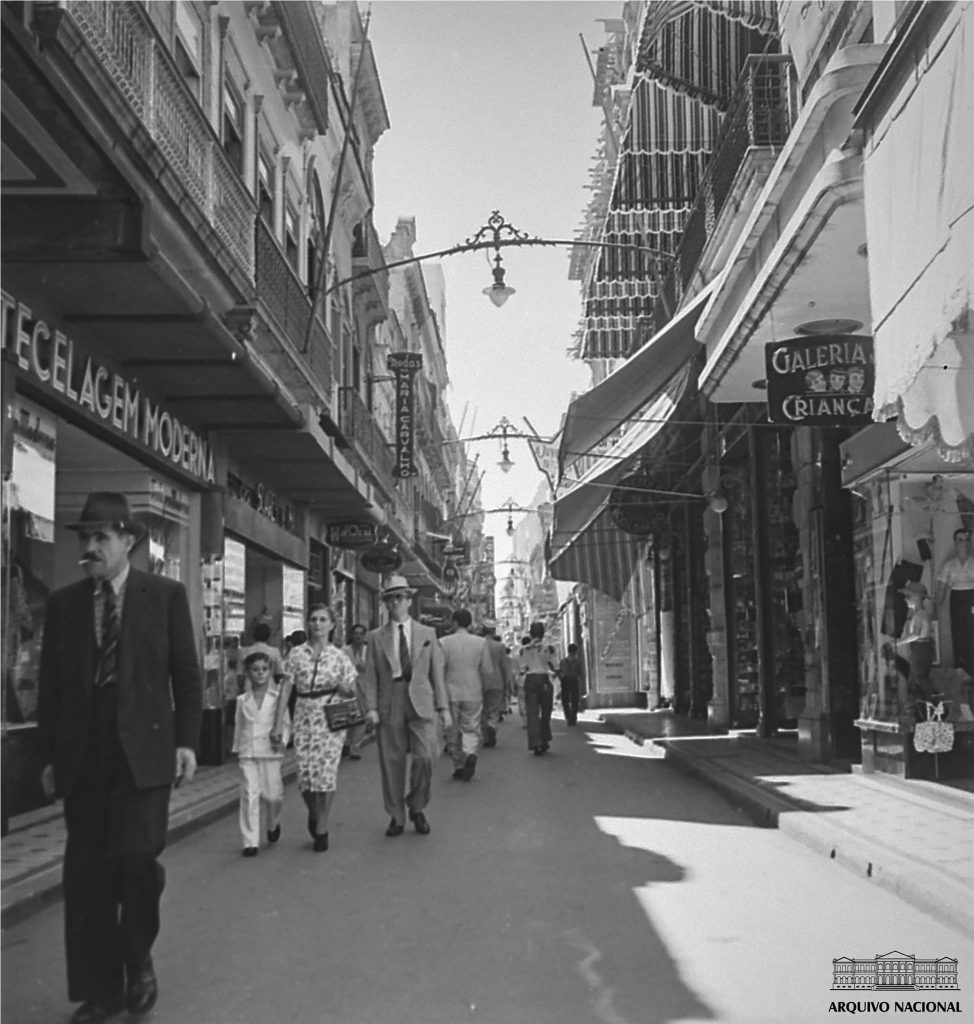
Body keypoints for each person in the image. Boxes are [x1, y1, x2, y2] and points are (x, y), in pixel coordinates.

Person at [37, 492, 203, 1024]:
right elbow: (51, 689)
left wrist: (187, 742)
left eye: (100, 538)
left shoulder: (165, 595)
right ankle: (102, 990)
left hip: (145, 754)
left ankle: (138, 955)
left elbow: (187, 674)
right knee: (86, 877)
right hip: (84, 755)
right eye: (84, 538)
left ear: (128, 540)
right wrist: (47, 756)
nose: (90, 547)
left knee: (135, 862)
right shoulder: (64, 606)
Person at [362, 575, 451, 836]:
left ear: (409, 601)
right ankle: (396, 816)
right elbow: (370, 676)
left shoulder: (427, 633)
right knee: (392, 761)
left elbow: (437, 673)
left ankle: (417, 805)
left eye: (399, 597)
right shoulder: (376, 637)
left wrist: (444, 708)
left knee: (425, 757)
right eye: (390, 599)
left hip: (421, 700)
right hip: (391, 700)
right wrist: (371, 708)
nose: (395, 603)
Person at [272, 604, 357, 853]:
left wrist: (344, 688)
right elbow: (286, 688)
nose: (317, 624)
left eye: (322, 620)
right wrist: (278, 722)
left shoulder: (340, 656)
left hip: (330, 716)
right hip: (303, 714)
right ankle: (314, 811)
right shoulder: (297, 654)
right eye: (313, 619)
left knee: (326, 773)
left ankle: (321, 825)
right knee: (306, 775)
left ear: (332, 625)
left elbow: (352, 689)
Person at [232, 651, 289, 857]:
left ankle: (272, 822)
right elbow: (239, 726)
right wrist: (237, 749)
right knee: (249, 794)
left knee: (273, 795)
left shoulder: (277, 699)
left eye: (264, 669)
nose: (260, 674)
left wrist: (281, 741)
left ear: (271, 671)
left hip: (271, 752)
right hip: (248, 752)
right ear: (248, 673)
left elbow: (285, 724)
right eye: (255, 670)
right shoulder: (242, 700)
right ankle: (250, 841)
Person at [440, 609, 492, 781]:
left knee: (451, 730)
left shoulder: (443, 642)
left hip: (450, 691)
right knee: (471, 726)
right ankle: (470, 752)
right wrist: (485, 688)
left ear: (454, 622)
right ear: (469, 623)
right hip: (473, 690)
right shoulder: (480, 643)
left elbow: (439, 670)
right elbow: (486, 670)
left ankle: (458, 764)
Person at [936, 527, 974, 678]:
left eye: (967, 539)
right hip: (957, 600)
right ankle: (962, 670)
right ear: (955, 543)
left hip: (972, 599)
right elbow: (940, 594)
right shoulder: (949, 565)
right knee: (959, 635)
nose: (964, 543)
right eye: (960, 540)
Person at [519, 621, 558, 755]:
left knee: (532, 713)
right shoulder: (549, 648)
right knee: (546, 711)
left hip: (530, 680)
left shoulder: (524, 649)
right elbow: (556, 666)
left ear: (530, 633)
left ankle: (536, 743)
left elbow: (522, 669)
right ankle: (545, 738)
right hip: (544, 680)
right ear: (543, 633)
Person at [480, 618, 512, 747]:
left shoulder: (478, 644)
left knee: (482, 709)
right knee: (494, 708)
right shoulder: (500, 646)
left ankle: (486, 734)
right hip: (497, 680)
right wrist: (507, 683)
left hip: (481, 680)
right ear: (493, 632)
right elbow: (504, 666)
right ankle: (492, 725)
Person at [343, 623, 372, 759]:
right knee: (349, 717)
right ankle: (346, 743)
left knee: (361, 718)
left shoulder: (369, 651)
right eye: (356, 633)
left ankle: (355, 747)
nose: (358, 636)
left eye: (361, 633)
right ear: (352, 635)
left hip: (365, 688)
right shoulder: (345, 651)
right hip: (349, 688)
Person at [556, 643, 585, 726]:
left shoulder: (563, 662)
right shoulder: (578, 662)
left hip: (565, 680)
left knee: (565, 700)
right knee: (575, 699)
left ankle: (568, 716)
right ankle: (573, 717)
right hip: (574, 680)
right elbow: (581, 674)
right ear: (575, 651)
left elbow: (559, 672)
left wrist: (561, 679)